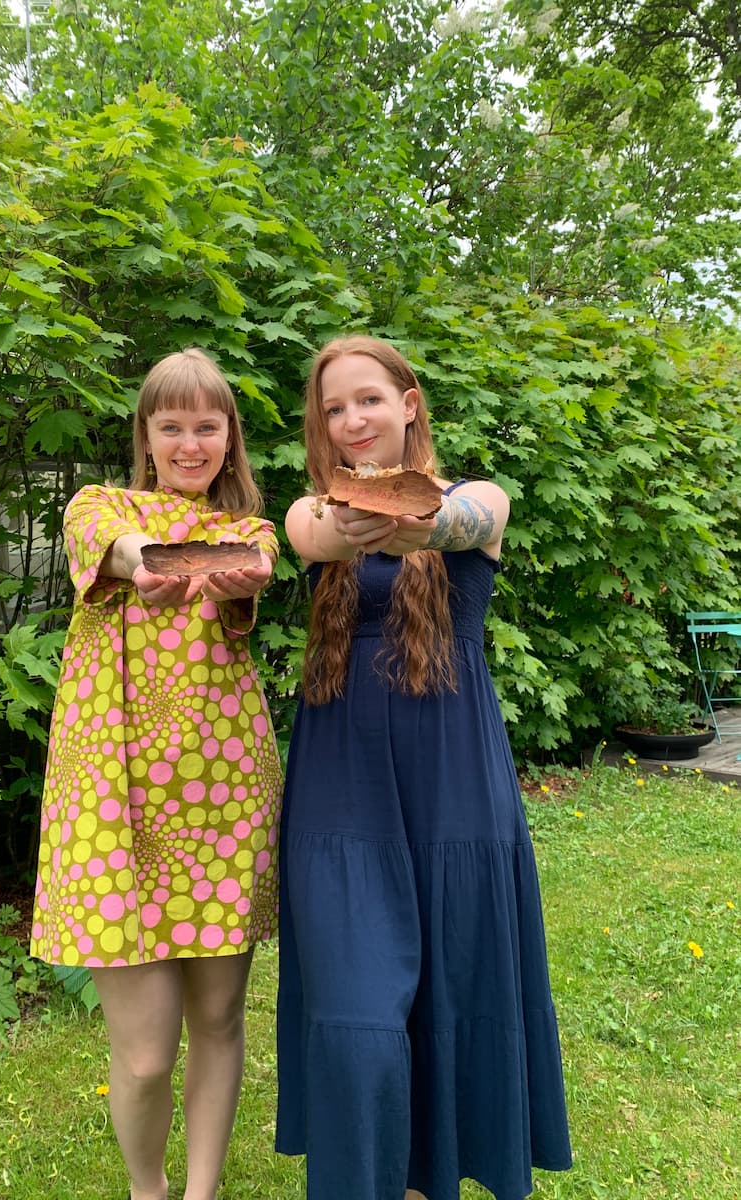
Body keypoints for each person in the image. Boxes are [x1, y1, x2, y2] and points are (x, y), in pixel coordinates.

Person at [275, 335, 572, 1200]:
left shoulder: (480, 500)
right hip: (342, 782)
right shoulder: (312, 514)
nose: (352, 419)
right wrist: (349, 517)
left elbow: (465, 519)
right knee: (357, 1000)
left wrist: (408, 516)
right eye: (334, 408)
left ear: (409, 403)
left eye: (369, 399)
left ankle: (421, 1178)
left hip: (454, 781)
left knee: (451, 985)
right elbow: (312, 536)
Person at [30, 347, 283, 1200]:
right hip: (112, 806)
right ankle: (149, 1190)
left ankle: (201, 1193)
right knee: (141, 1056)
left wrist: (229, 574)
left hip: (224, 805)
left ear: (228, 437)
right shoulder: (96, 506)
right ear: (145, 434)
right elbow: (115, 546)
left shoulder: (247, 530)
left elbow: (256, 574)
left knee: (218, 1020)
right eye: (170, 425)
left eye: (205, 425)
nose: (188, 442)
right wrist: (148, 561)